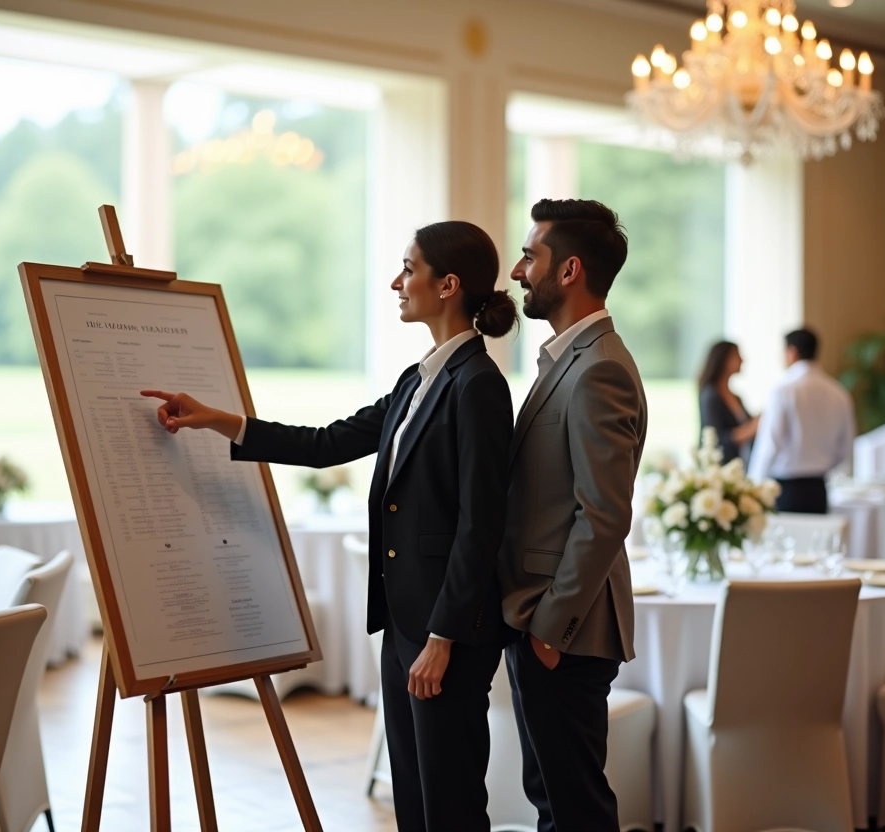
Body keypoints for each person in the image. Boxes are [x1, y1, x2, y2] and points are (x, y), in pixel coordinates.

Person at [142, 221, 517, 831]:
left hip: (444, 635)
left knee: (450, 804)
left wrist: (442, 639)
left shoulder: (478, 385)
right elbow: (326, 444)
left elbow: (482, 524)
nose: (396, 283)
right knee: (414, 798)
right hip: (405, 624)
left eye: (408, 269)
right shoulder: (417, 379)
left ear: (447, 285)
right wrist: (217, 420)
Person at [498, 198, 646, 831]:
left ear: (569, 270)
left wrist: (548, 631)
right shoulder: (571, 358)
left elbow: (604, 516)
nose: (516, 271)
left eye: (529, 256)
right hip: (545, 620)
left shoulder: (600, 369)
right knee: (553, 801)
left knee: (574, 809)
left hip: (564, 628)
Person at [747, 328, 856, 513]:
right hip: (819, 489)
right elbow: (846, 448)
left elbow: (770, 444)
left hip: (786, 490)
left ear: (792, 352)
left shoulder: (784, 390)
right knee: (817, 532)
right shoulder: (839, 393)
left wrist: (753, 486)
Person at [697, 340, 759, 464]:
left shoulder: (736, 397)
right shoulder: (710, 395)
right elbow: (715, 438)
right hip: (718, 467)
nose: (742, 360)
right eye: (737, 355)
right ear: (724, 360)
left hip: (739, 464)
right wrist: (750, 429)